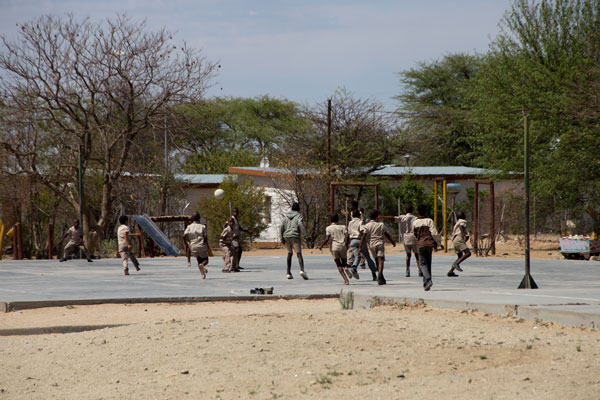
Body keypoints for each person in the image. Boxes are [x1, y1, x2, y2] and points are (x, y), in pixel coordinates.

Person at [359, 209, 396, 285]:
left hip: (371, 244)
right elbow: (386, 234)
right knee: (381, 260)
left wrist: (360, 247)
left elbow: (363, 236)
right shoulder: (381, 224)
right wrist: (392, 242)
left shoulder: (367, 225)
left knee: (376, 260)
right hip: (379, 243)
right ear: (377, 216)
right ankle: (380, 275)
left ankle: (381, 276)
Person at [413, 204, 442, 291]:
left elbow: (414, 233)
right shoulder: (429, 220)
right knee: (428, 263)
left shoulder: (415, 222)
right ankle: (426, 283)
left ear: (417, 212)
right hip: (429, 244)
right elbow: (434, 233)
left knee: (422, 264)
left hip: (420, 244)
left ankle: (428, 280)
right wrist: (438, 243)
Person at [319, 212, 352, 285]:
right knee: (344, 262)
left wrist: (321, 246)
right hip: (343, 246)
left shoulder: (328, 228)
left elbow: (327, 239)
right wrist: (347, 244)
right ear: (338, 219)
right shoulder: (343, 227)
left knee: (339, 265)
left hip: (334, 247)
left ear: (330, 220)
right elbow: (347, 236)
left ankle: (346, 280)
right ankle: (346, 268)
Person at [280, 202, 308, 280]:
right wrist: (305, 235)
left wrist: (281, 238)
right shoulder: (299, 216)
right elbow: (300, 224)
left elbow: (281, 226)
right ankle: (302, 270)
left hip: (287, 236)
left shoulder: (286, 216)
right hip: (295, 236)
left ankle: (288, 273)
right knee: (298, 253)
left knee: (290, 253)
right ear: (298, 208)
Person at [348, 209, 377, 281]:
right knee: (367, 257)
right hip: (360, 240)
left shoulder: (350, 223)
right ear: (359, 215)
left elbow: (348, 233)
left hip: (352, 240)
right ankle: (374, 273)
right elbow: (363, 232)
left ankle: (354, 267)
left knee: (357, 256)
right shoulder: (360, 222)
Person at [394, 204, 421, 277]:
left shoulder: (402, 217)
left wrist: (383, 217)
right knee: (417, 255)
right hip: (414, 237)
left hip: (406, 238)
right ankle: (419, 269)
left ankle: (407, 270)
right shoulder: (415, 218)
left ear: (405, 210)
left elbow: (393, 218)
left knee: (408, 255)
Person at [183, 212, 210, 279]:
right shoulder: (202, 226)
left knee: (199, 260)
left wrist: (186, 243)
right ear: (199, 218)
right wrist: (206, 244)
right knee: (206, 260)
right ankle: (203, 265)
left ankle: (203, 275)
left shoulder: (189, 226)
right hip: (201, 244)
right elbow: (205, 237)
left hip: (193, 246)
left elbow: (184, 235)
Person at [447, 211, 471, 277]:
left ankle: (451, 271)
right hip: (459, 238)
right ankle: (456, 264)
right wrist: (465, 235)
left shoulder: (457, 222)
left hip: (455, 240)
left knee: (460, 256)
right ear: (464, 216)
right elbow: (461, 227)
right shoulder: (463, 221)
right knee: (468, 253)